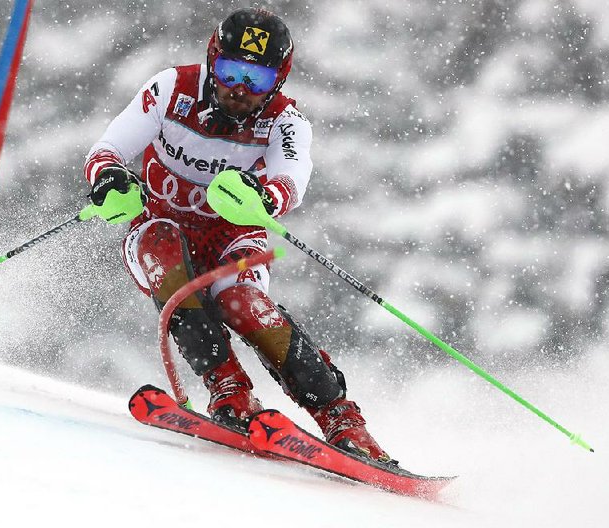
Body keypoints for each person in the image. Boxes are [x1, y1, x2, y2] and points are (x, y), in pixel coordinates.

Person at [83, 8, 393, 463]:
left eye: (258, 79)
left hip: (231, 237)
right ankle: (229, 390)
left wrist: (265, 198)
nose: (240, 89)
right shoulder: (170, 89)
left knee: (241, 303)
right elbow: (108, 148)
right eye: (230, 71)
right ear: (212, 61)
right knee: (162, 254)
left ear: (279, 80)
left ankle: (342, 419)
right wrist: (110, 179)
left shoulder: (286, 122)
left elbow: (293, 177)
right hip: (159, 227)